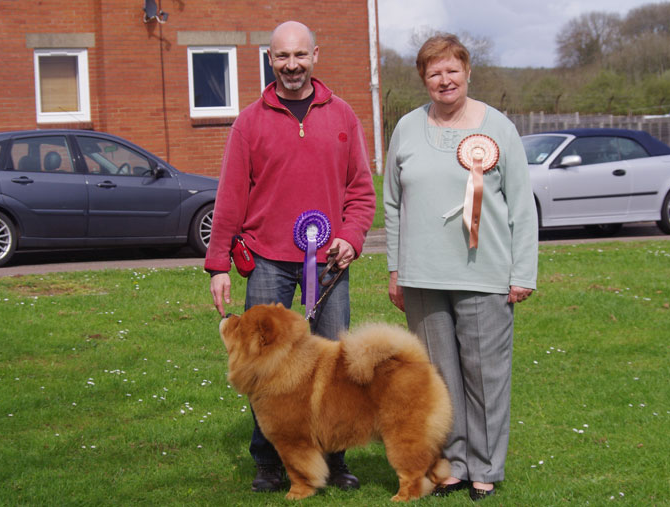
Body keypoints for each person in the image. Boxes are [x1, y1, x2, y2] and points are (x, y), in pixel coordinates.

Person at [204, 20, 376, 493]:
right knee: (265, 370)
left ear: (315, 55)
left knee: (336, 366)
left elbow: (361, 192)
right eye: (283, 57)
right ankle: (269, 461)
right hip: (266, 262)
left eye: (300, 56)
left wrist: (351, 237)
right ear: (270, 58)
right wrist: (219, 263)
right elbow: (231, 197)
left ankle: (335, 458)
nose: (292, 65)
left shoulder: (342, 116)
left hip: (329, 263)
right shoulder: (250, 121)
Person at [383, 34, 538, 501]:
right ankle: (450, 463)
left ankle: (486, 467)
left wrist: (521, 273)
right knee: (439, 379)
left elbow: (521, 207)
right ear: (423, 79)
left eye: (452, 70)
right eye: (434, 72)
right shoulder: (406, 128)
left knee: (485, 377)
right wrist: (395, 268)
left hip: (484, 274)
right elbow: (392, 204)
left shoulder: (498, 127)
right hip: (422, 278)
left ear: (467, 72)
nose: (444, 80)